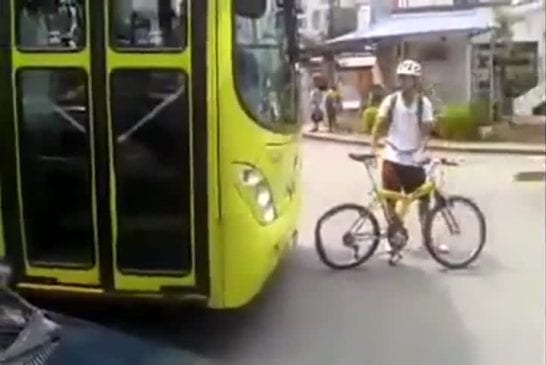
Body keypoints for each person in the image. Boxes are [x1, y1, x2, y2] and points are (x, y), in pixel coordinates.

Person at [371, 59, 449, 253]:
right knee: (392, 201)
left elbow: (426, 131)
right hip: (392, 155)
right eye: (401, 78)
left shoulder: (424, 104)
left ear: (416, 81)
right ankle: (393, 236)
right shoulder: (391, 101)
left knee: (423, 201)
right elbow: (379, 124)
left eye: (408, 78)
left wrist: (425, 148)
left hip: (414, 160)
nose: (403, 81)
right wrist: (373, 146)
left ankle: (427, 240)